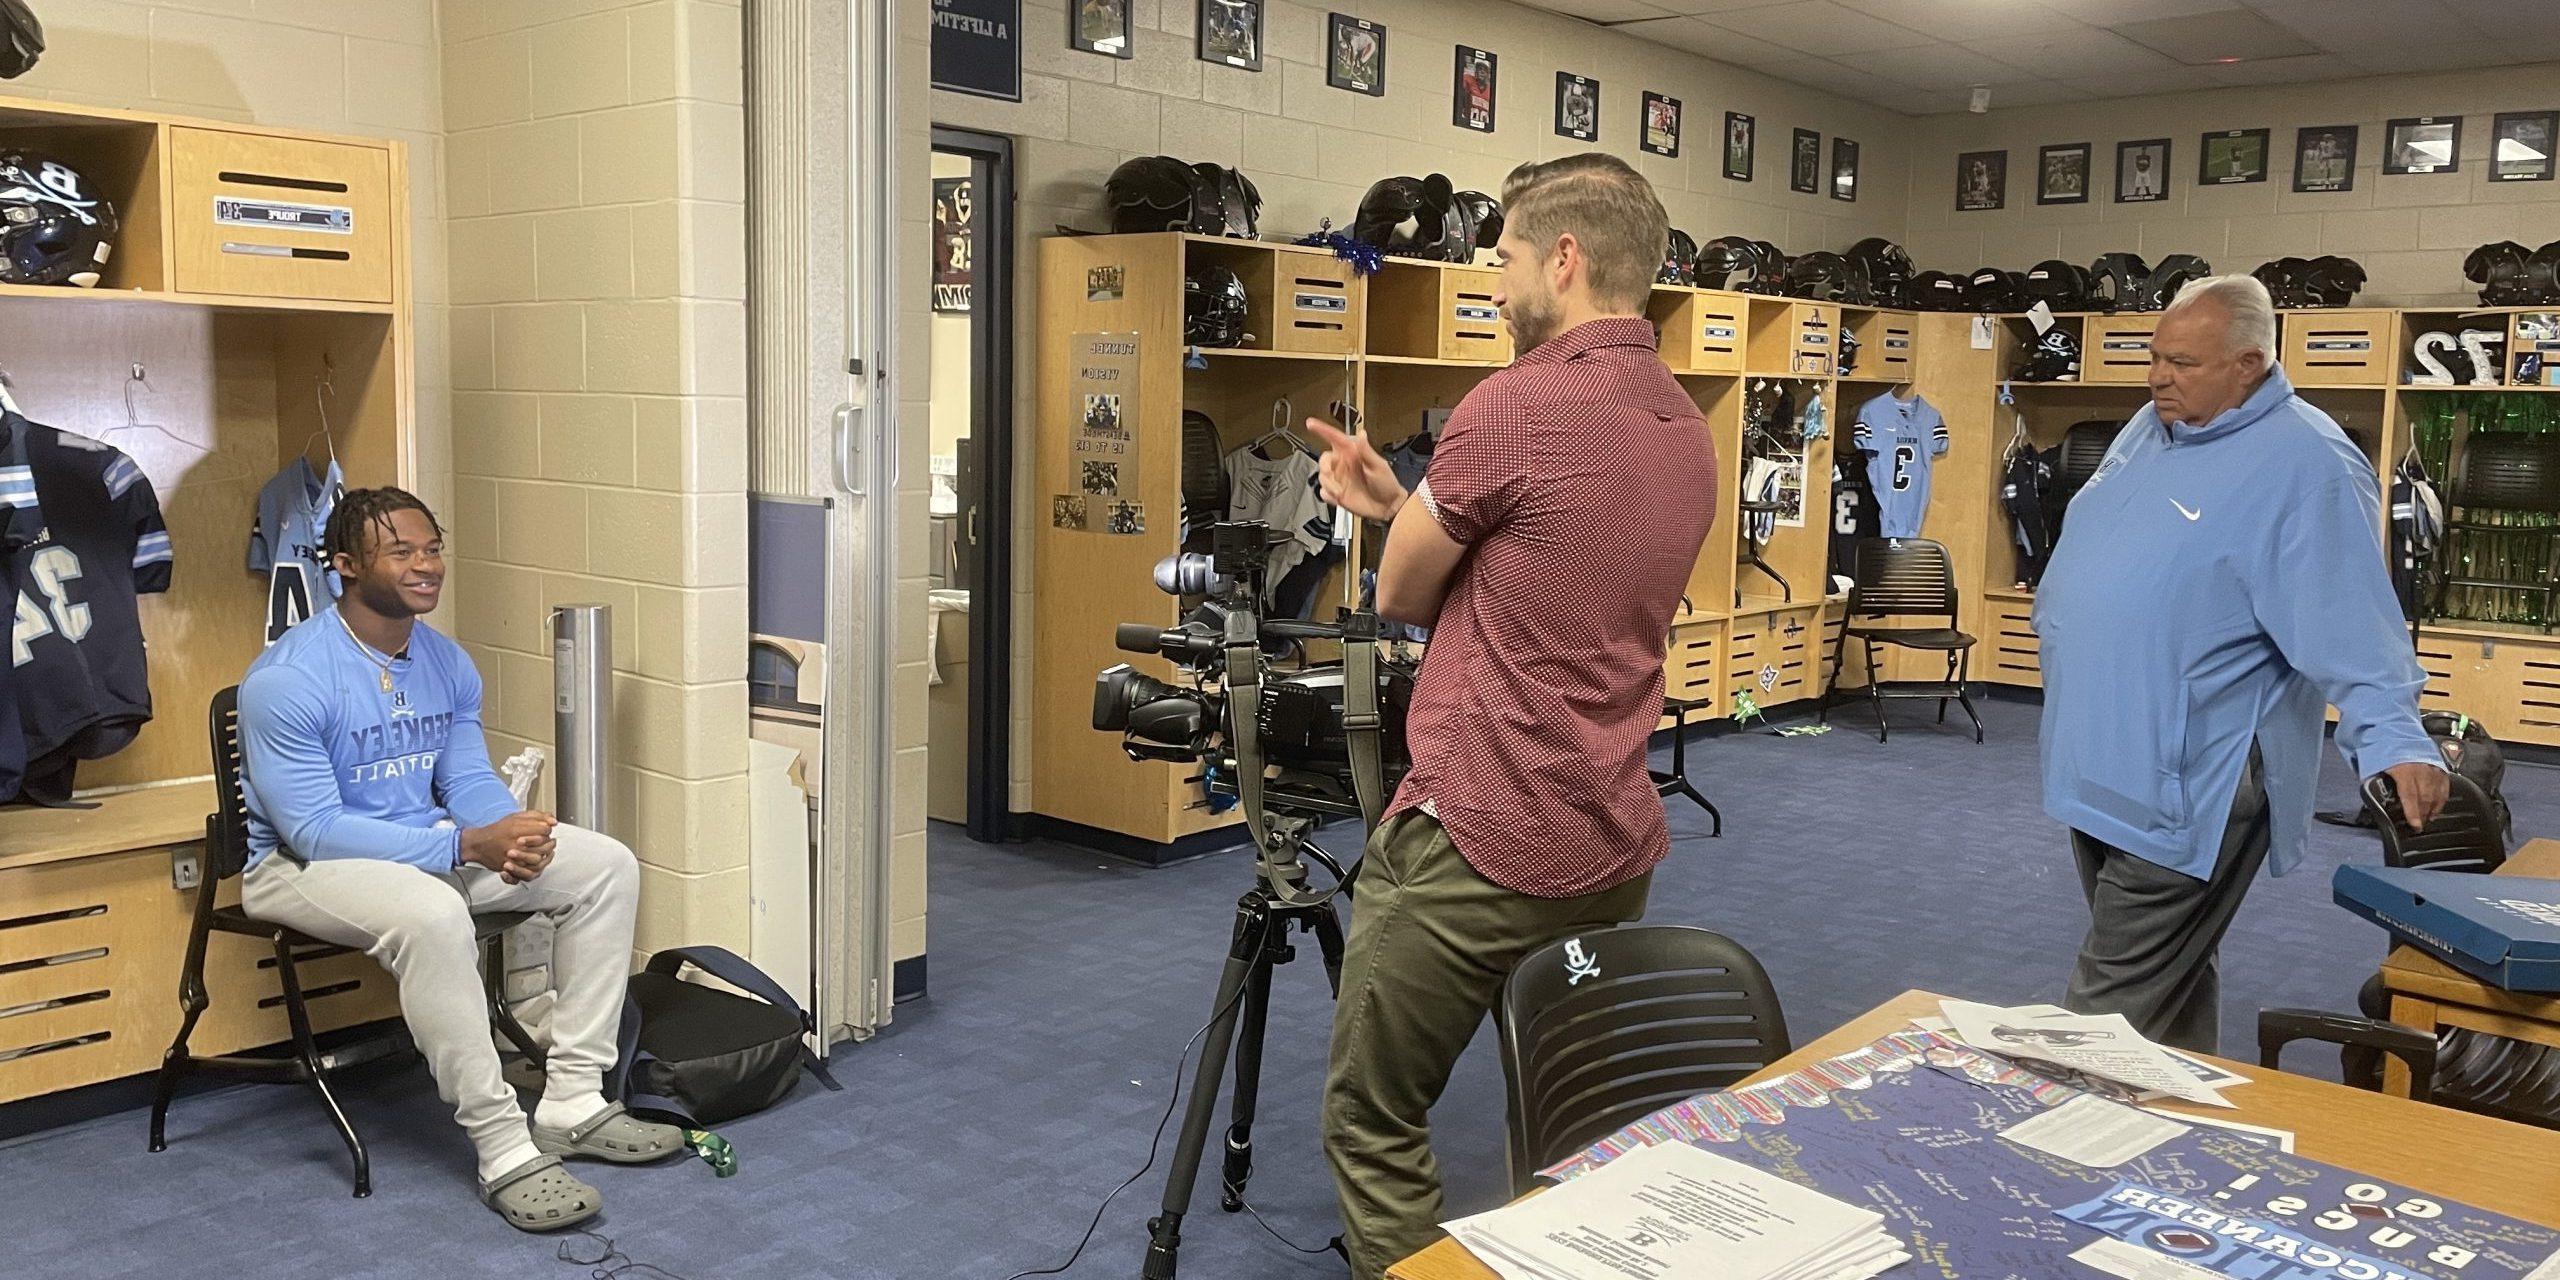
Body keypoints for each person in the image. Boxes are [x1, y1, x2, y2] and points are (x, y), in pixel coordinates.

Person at [1307, 152, 1717, 1279]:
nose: (1493, 282)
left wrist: (1392, 525)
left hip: (1476, 833)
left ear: (1565, 259)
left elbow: (1400, 594)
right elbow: (1537, 566)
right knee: (1574, 1117)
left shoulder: (1514, 402)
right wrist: (1404, 505)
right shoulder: (1683, 423)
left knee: (1373, 1114)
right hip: (1607, 834)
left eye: (1504, 259)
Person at [236, 488, 680, 1232]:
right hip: (298, 870)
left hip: (425, 846)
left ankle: (573, 1100)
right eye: (401, 551)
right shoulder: (288, 679)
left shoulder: (445, 661)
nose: (426, 566)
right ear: (345, 565)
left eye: (432, 548)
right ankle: (504, 1146)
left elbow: (465, 779)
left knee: (605, 864)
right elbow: (312, 829)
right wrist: (463, 845)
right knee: (435, 909)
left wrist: (509, 831)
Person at [2034, 276, 2447, 1054]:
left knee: (2104, 1017)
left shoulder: (2309, 462)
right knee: (2170, 978)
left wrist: (2392, 735)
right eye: (2155, 357)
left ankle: (2056, 1155)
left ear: (2249, 364)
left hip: (2192, 776)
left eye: (2183, 362)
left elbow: (2351, 614)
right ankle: (2177, 1145)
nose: (2159, 376)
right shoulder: (2154, 425)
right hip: (2100, 763)